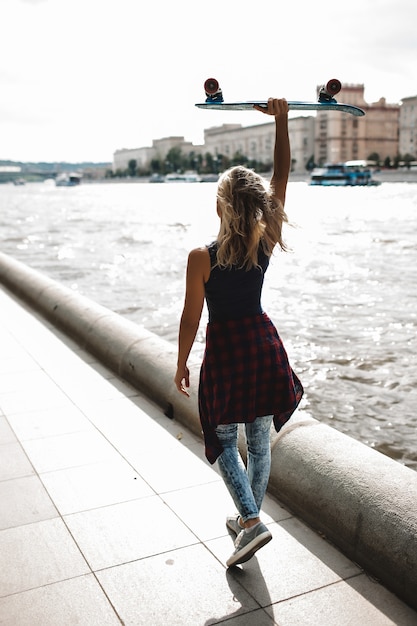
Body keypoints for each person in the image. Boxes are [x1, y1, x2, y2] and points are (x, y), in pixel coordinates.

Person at [174, 98, 303, 567]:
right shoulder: (262, 241)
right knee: (260, 438)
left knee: (223, 438)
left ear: (222, 204)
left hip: (227, 350)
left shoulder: (200, 256)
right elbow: (282, 177)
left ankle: (250, 522)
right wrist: (283, 121)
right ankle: (246, 519)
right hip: (264, 346)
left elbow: (191, 318)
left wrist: (182, 360)